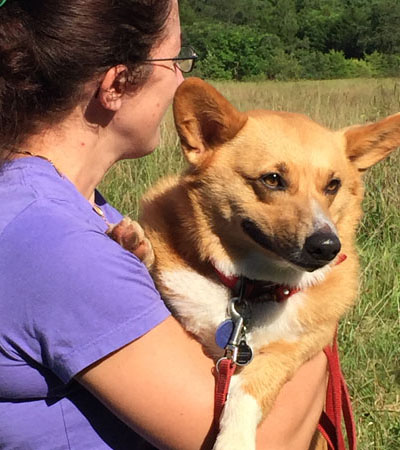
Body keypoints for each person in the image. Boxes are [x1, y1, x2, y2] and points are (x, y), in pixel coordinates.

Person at [0, 1, 328, 448]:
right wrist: (316, 328)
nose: (180, 80)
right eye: (175, 60)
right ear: (116, 85)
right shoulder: (56, 243)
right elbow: (268, 442)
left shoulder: (78, 207)